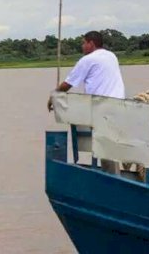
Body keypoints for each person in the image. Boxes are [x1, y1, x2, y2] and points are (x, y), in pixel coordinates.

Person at [48, 30, 125, 174]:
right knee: (108, 146)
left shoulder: (88, 60)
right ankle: (112, 174)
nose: (82, 46)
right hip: (118, 107)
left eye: (84, 43)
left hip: (102, 107)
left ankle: (113, 180)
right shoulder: (111, 56)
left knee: (105, 149)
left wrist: (53, 96)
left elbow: (67, 84)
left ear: (91, 43)